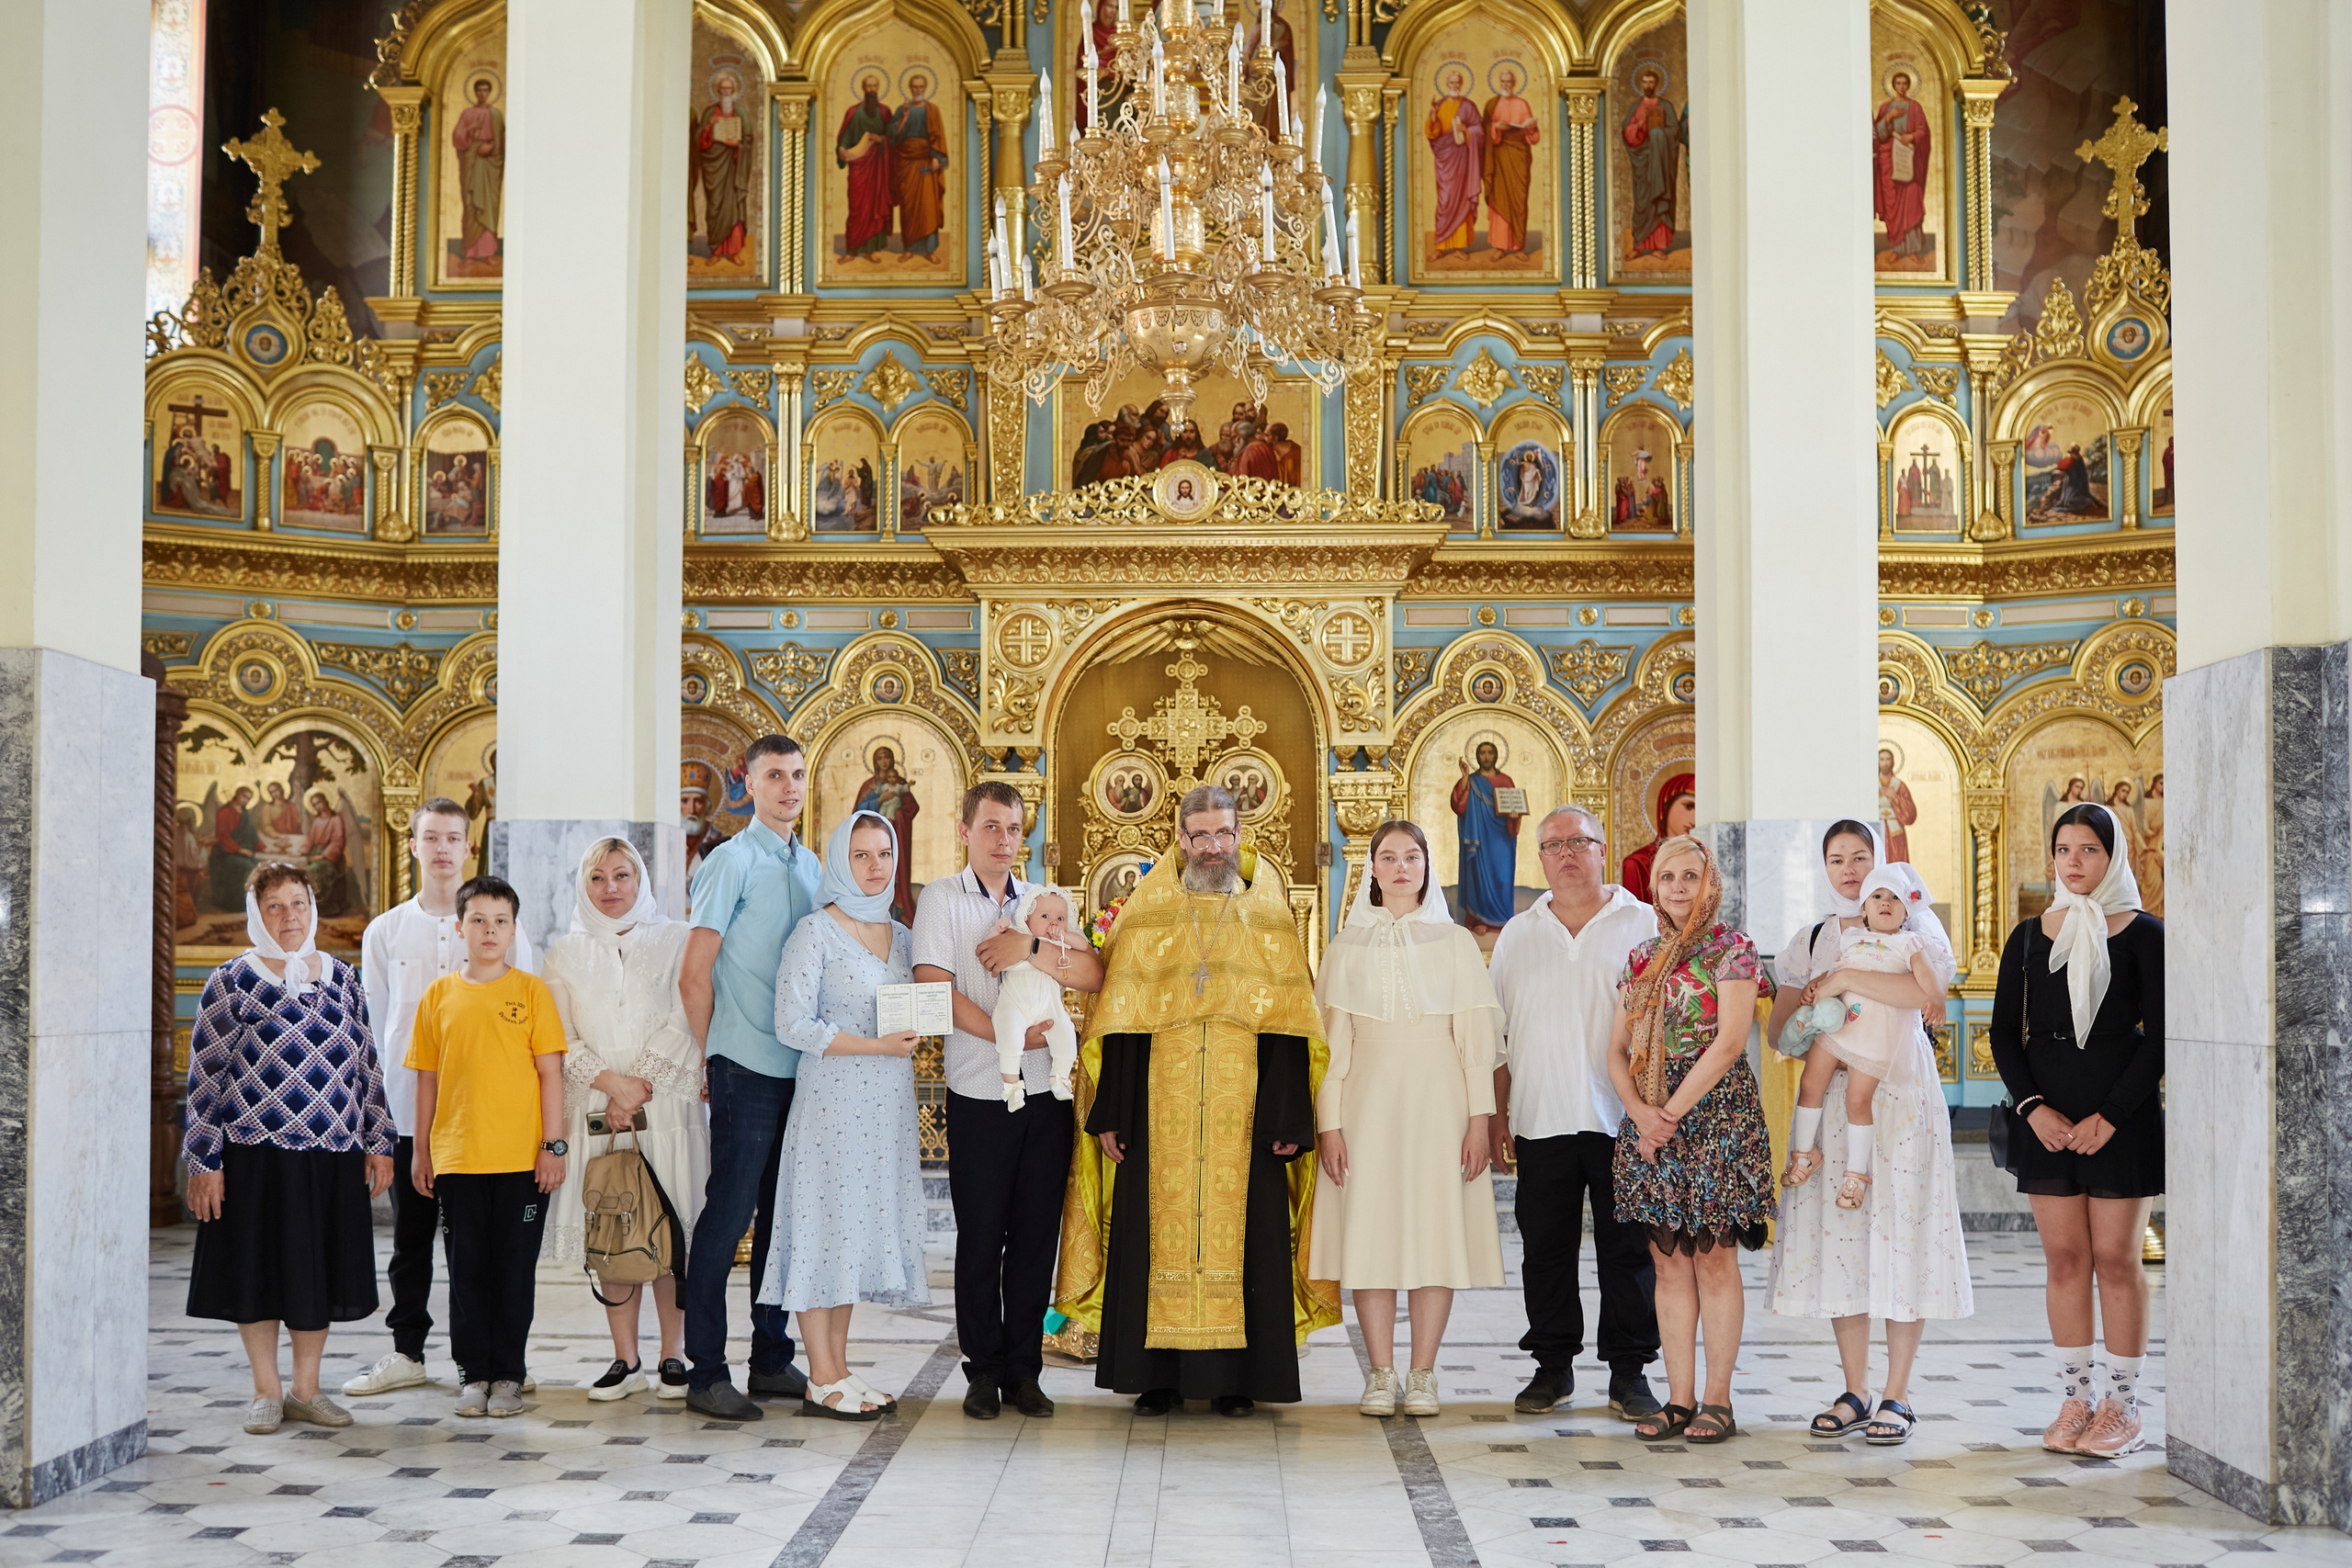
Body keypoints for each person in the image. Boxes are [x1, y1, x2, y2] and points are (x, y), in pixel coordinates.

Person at [1062, 785, 1334, 1417]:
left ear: (1240, 836)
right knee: (1150, 1235)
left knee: (1250, 1242)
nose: (1213, 846)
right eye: (1202, 835)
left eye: (1224, 834)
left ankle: (1240, 1379)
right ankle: (1153, 1375)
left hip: (1249, 1118)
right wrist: (1113, 1115)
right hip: (1157, 1117)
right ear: (1180, 839)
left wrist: (1290, 1117)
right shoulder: (1149, 910)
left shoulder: (1267, 911)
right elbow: (1123, 1020)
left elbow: (1291, 1023)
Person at [1765, 821, 1972, 1446]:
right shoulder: (1812, 938)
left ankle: (1897, 1394)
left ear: (1883, 864)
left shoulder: (1918, 922)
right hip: (1835, 1102)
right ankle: (1854, 1389)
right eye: (1837, 859)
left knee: (1902, 1231)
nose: (1851, 870)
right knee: (1843, 1239)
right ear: (1824, 867)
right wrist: (1809, 1012)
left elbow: (1920, 991)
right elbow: (1780, 1032)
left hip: (1903, 1095)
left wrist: (1849, 979)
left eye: (1862, 857)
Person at [911, 782, 1104, 1420]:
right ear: (964, 830)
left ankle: (1025, 1368)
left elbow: (1092, 972)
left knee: (1034, 1234)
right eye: (991, 826)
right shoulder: (942, 898)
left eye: (1014, 827)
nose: (1004, 839)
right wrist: (1008, 1033)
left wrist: (1029, 947)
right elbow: (935, 989)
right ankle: (982, 1369)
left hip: (1047, 1091)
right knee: (981, 1234)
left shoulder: (1041, 902)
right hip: (979, 1088)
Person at [184, 863, 395, 1436]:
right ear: (256, 912)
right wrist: (204, 1161)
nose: (289, 917)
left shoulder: (343, 978)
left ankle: (306, 1390)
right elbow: (206, 1076)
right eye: (274, 906)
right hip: (254, 1153)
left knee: (315, 1272)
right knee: (258, 1271)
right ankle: (266, 1391)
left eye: (298, 903)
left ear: (312, 906)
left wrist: (380, 1141)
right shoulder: (232, 979)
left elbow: (365, 1065)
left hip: (332, 1151)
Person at [345, 798, 538, 1400]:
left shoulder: (502, 925)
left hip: (479, 1120)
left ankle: (481, 1360)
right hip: (407, 1110)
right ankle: (407, 1350)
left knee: (474, 1246)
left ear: (467, 846)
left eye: (453, 837)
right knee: (409, 1241)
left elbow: (526, 1026)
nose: (442, 848)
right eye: (431, 837)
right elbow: (372, 1030)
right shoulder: (385, 931)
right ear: (413, 844)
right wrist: (373, 1121)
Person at [1310, 821, 1504, 1418]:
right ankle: (1379, 1371)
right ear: (1371, 868)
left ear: (1427, 866)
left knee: (1432, 1233)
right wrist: (1329, 1125)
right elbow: (1331, 1051)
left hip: (1439, 1107)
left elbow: (1475, 1041)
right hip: (1365, 1107)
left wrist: (1479, 1120)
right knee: (1370, 1234)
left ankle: (1422, 1372)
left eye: (1411, 856)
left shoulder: (1455, 944)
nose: (1400, 867)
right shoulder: (1346, 948)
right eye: (1388, 857)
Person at [1990, 801, 2163, 1459]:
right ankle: (2075, 1399)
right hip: (2050, 1119)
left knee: (2117, 1260)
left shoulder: (2145, 934)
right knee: (2065, 1261)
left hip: (2121, 1118)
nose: (2075, 862)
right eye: (2064, 849)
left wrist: (2111, 1115)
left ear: (2113, 855)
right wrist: (2035, 1107)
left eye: (2089, 849)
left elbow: (2158, 1037)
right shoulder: (2033, 935)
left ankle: (2122, 1403)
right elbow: (2006, 1032)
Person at [1487, 807, 1663, 1419]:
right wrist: (1497, 1114)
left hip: (1624, 1118)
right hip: (1540, 1116)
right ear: (1539, 857)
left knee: (1628, 1249)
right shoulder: (1518, 933)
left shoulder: (1643, 922)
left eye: (1579, 842)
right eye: (1554, 844)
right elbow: (1498, 1035)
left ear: (1602, 848)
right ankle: (1553, 1366)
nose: (1567, 853)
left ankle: (1629, 1372)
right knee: (1546, 1248)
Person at [1607, 835, 1774, 1444]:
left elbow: (1730, 1041)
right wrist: (1638, 1111)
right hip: (1651, 1115)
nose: (1679, 886)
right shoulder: (1641, 957)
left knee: (1713, 1257)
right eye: (1668, 875)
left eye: (1691, 875)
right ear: (1653, 887)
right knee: (1668, 1261)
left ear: (1712, 884)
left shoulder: (1732, 948)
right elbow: (1617, 1049)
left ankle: (1718, 1399)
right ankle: (1677, 1398)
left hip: (1715, 1114)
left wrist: (1668, 1113)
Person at [762, 811, 929, 1417]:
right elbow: (792, 1023)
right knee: (822, 1227)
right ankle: (819, 1375)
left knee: (852, 1233)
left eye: (884, 852)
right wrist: (876, 1045)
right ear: (840, 861)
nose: (875, 864)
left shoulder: (903, 934)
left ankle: (840, 1366)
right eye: (861, 854)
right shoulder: (816, 931)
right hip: (833, 1101)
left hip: (886, 1105)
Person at [680, 735, 822, 1418]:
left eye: (797, 774)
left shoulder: (816, 865)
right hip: (743, 1063)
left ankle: (771, 1357)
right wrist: (712, 1056)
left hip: (804, 1068)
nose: (789, 787)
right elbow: (694, 972)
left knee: (783, 1222)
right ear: (748, 783)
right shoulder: (729, 861)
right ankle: (706, 1369)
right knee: (728, 1218)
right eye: (774, 775)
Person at [541, 839, 707, 1402]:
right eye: (597, 878)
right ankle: (624, 1359)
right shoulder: (563, 952)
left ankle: (673, 1356)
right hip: (597, 1109)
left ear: (641, 882)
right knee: (613, 1229)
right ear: (583, 886)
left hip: (666, 1106)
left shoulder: (676, 938)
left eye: (622, 876)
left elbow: (687, 1013)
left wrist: (637, 1088)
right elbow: (559, 1037)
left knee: (669, 1229)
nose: (610, 889)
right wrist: (613, 1087)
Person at [405, 875, 567, 1419]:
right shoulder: (438, 997)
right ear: (459, 928)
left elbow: (552, 1075)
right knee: (466, 1270)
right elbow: (425, 1079)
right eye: (478, 920)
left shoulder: (531, 992)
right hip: (457, 1159)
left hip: (522, 1160)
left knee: (514, 1272)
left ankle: (509, 1376)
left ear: (514, 929)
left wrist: (554, 1145)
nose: (489, 931)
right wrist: (422, 1151)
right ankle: (473, 1374)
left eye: (500, 921)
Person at [1780, 865, 1945, 1212]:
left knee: (1858, 1100)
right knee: (1811, 1083)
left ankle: (1855, 1175)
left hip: (1876, 1036)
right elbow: (1837, 971)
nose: (1886, 903)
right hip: (1838, 1030)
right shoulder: (1852, 938)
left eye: (1895, 898)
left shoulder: (1909, 942)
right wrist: (1816, 984)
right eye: (1877, 897)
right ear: (1864, 908)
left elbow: (1927, 977)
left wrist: (1936, 998)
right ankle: (1805, 1153)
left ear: (1906, 909)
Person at [989, 888, 1080, 1110]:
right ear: (1026, 919)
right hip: (1015, 1003)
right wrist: (997, 930)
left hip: (1049, 1004)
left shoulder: (1060, 946)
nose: (1053, 923)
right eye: (1045, 916)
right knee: (1009, 1036)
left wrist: (1065, 936)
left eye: (1060, 918)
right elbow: (988, 948)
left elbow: (1083, 947)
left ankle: (1060, 1077)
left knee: (1066, 1033)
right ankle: (1012, 1086)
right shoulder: (1016, 937)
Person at [1450, 741, 1522, 932]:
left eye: (1490, 752)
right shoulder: (1472, 781)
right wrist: (1465, 777)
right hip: (1479, 837)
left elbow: (1515, 805)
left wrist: (1515, 817)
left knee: (1503, 876)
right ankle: (1478, 921)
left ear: (1496, 755)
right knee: (1478, 876)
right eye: (1482, 753)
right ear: (1477, 756)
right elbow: (1459, 806)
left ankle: (1503, 919)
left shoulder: (1506, 781)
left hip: (1502, 838)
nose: (1486, 756)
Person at [1621, 65, 1685, 260]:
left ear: (1657, 84)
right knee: (1642, 202)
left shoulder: (1665, 106)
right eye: (1645, 82)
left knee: (1658, 204)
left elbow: (1675, 132)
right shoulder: (1635, 106)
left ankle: (1657, 247)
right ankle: (1639, 247)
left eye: (1651, 82)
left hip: (1661, 162)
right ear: (1641, 84)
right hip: (1643, 161)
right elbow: (1626, 132)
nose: (1647, 85)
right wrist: (1639, 126)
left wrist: (1658, 134)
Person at [1481, 68, 1540, 256]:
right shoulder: (1492, 104)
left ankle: (1517, 246)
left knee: (1519, 200)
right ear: (1499, 83)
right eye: (1503, 81)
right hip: (1498, 155)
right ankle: (1499, 246)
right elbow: (1484, 130)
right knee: (1500, 199)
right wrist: (1494, 128)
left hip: (1519, 155)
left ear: (1514, 84)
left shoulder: (1522, 104)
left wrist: (1530, 128)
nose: (1506, 85)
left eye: (1509, 82)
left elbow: (1533, 135)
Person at [1426, 67, 1484, 256]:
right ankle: (1441, 246)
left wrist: (1466, 131)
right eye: (1451, 83)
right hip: (1445, 161)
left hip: (1463, 160)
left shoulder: (1468, 106)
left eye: (1457, 83)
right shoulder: (1440, 105)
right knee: (1445, 200)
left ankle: (1459, 246)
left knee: (1462, 201)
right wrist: (1433, 118)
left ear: (1461, 85)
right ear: (1446, 84)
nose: (1454, 86)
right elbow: (1433, 134)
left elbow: (1479, 131)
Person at [1619, 773, 1694, 905]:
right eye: (1688, 806)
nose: (1694, 819)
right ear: (1666, 806)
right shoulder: (1638, 864)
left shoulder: (1702, 860)